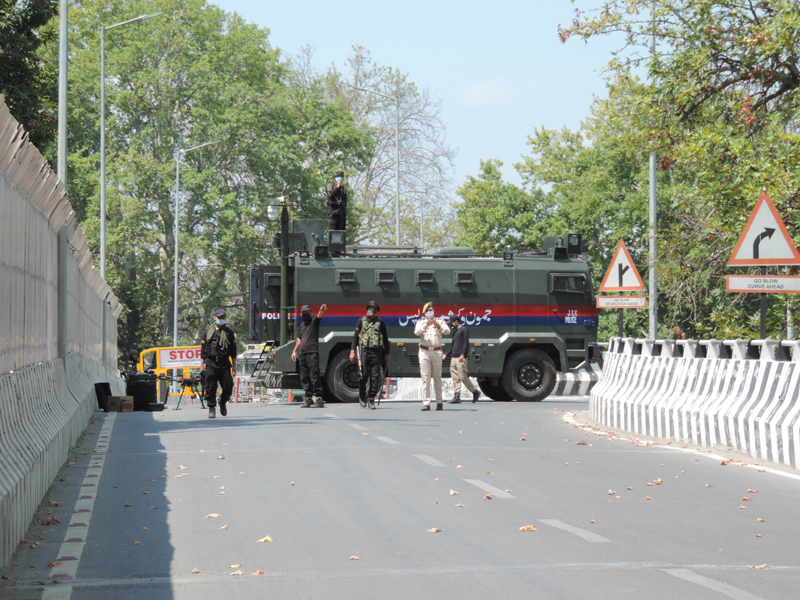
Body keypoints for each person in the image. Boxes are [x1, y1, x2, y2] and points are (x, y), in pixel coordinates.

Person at [350, 300, 391, 409]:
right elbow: (355, 337)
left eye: (374, 308)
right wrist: (352, 351)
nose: (372, 310)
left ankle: (371, 398)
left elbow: (385, 339)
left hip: (376, 352)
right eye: (370, 308)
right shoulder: (361, 321)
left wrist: (387, 353)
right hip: (364, 351)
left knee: (375, 376)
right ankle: (362, 396)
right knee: (363, 375)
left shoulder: (380, 322)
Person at [200, 308, 237, 419]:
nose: (221, 319)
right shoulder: (207, 332)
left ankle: (222, 401)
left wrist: (234, 366)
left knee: (228, 386)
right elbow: (203, 351)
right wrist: (202, 366)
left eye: (223, 317)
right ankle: (211, 408)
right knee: (210, 387)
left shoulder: (229, 332)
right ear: (215, 318)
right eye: (219, 317)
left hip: (224, 363)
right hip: (211, 363)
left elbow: (233, 351)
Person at [414, 302, 450, 411]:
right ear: (424, 313)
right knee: (426, 378)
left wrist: (438, 326)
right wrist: (426, 324)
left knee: (437, 377)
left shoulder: (440, 320)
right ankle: (426, 403)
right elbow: (417, 332)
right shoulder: (421, 322)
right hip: (424, 351)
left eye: (431, 310)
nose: (430, 312)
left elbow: (447, 331)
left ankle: (439, 402)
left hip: (436, 351)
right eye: (428, 311)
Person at [292, 304, 327, 408]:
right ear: (301, 314)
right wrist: (294, 351)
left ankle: (319, 399)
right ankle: (309, 399)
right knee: (304, 378)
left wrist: (321, 309)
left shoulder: (314, 322)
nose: (305, 314)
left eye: (307, 312)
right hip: (303, 355)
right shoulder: (302, 325)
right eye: (303, 312)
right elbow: (300, 339)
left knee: (314, 376)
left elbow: (319, 316)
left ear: (310, 313)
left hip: (312, 354)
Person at [446, 315, 480, 404]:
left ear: (456, 321)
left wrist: (463, 354)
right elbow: (452, 346)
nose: (451, 325)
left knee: (463, 376)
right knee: (455, 378)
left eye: (451, 323)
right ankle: (456, 396)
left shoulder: (464, 330)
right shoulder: (455, 332)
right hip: (454, 357)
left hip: (460, 358)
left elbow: (466, 343)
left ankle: (475, 392)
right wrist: (446, 354)